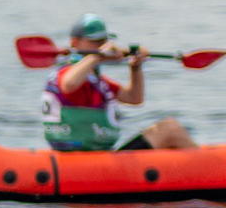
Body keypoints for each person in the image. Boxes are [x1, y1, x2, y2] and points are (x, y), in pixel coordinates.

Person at [41, 15, 193, 151]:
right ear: (75, 43)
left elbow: (134, 98)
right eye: (95, 41)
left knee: (169, 127)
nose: (101, 45)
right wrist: (98, 56)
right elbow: (68, 84)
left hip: (102, 158)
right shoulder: (66, 73)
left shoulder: (99, 81)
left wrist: (135, 67)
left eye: (104, 41)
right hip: (81, 160)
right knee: (171, 130)